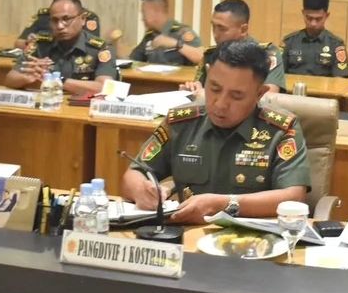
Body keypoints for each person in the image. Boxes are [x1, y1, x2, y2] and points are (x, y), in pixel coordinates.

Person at [122, 39, 310, 224]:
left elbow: (294, 196)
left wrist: (224, 205)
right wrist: (142, 191)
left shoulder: (280, 129)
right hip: (187, 233)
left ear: (259, 93)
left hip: (253, 238)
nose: (220, 104)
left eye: (236, 96)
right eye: (214, 89)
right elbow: (133, 174)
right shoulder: (181, 121)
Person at [3, 0, 118, 96]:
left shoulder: (101, 48)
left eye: (66, 19)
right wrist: (26, 77)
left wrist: (57, 80)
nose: (60, 26)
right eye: (54, 20)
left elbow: (105, 88)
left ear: (82, 19)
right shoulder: (40, 44)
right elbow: (9, 79)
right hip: (47, 105)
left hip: (81, 109)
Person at [180, 0, 284, 95]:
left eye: (222, 28)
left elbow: (269, 96)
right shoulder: (211, 54)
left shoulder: (265, 54)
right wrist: (192, 90)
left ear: (243, 30)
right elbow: (200, 89)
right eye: (213, 26)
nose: (215, 34)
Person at [14, 0, 101, 49]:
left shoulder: (87, 17)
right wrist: (29, 42)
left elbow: (91, 46)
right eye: (55, 20)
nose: (60, 25)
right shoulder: (44, 16)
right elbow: (18, 43)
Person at [118, 0, 201, 66]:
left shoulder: (182, 32)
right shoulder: (149, 36)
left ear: (157, 11)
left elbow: (201, 58)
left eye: (144, 13)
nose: (142, 18)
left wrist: (175, 44)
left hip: (178, 78)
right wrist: (116, 43)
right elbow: (132, 61)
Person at [281, 0, 348, 78]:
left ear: (327, 15)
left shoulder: (336, 45)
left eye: (318, 19)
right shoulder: (289, 42)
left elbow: (340, 80)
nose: (313, 23)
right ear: (303, 13)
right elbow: (277, 76)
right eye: (309, 18)